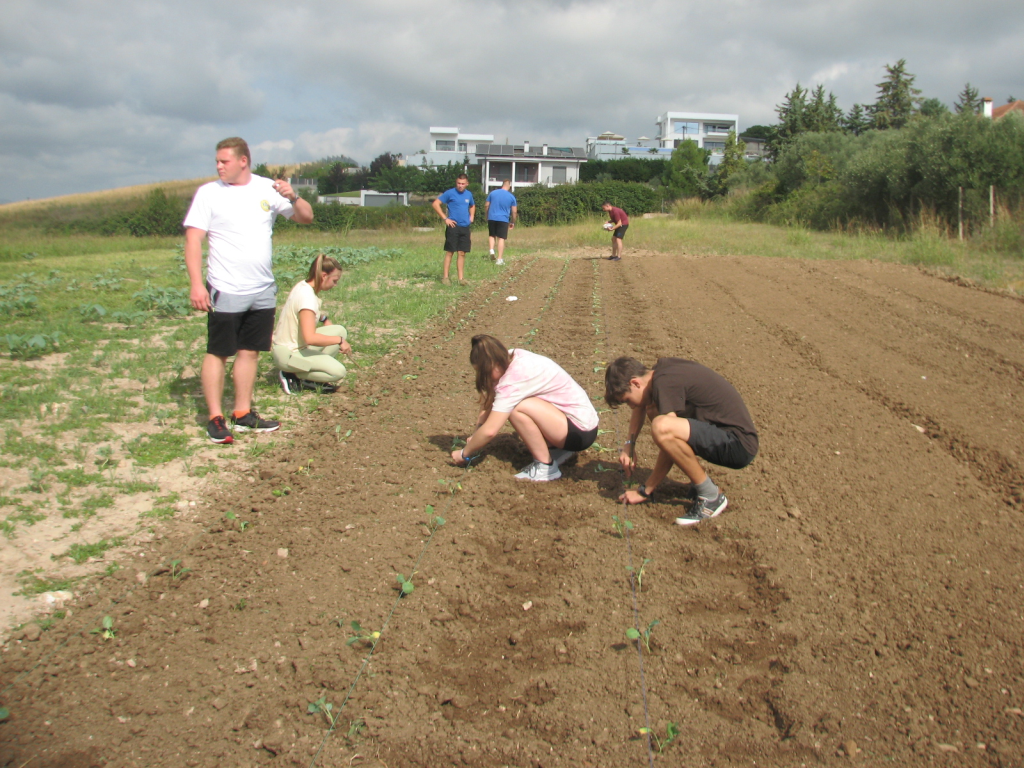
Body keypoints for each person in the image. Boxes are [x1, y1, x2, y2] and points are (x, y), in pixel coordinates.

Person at [184, 136, 314, 444]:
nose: (218, 166)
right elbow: (193, 239)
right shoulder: (208, 194)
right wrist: (195, 284)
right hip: (225, 287)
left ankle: (242, 413)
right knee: (218, 352)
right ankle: (215, 417)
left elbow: (306, 217)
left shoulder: (266, 188)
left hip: (261, 288)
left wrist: (293, 196)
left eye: (224, 161)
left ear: (244, 161)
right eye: (217, 161)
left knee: (250, 352)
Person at [604, 356, 758, 525]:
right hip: (726, 436)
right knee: (655, 411)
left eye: (626, 400)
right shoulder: (661, 373)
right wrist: (629, 445)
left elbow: (667, 436)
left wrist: (645, 490)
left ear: (635, 383)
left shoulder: (665, 384)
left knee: (662, 426)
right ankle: (699, 483)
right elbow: (641, 406)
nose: (630, 406)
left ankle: (711, 496)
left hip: (737, 445)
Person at [451, 335, 599, 482]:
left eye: (483, 372)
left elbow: (490, 430)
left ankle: (545, 467)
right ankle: (559, 451)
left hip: (578, 432)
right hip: (582, 423)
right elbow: (488, 401)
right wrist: (477, 432)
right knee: (521, 404)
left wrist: (464, 453)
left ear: (492, 365)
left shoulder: (511, 382)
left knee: (517, 408)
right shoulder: (513, 356)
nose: (482, 377)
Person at [272, 254, 352, 394]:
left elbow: (307, 314)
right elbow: (310, 338)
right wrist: (339, 341)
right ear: (323, 276)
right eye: (334, 280)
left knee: (339, 330)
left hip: (295, 344)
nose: (335, 285)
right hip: (289, 354)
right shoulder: (307, 299)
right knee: (338, 372)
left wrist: (324, 318)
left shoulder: (303, 286)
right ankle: (293, 374)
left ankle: (306, 368)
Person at [431, 173, 475, 285]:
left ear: (467, 184)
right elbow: (436, 204)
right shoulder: (450, 193)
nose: (460, 185)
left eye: (462, 184)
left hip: (465, 226)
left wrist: (472, 216)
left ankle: (461, 279)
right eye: (458, 183)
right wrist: (445, 218)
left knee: (462, 253)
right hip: (453, 226)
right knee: (450, 251)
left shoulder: (468, 194)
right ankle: (445, 277)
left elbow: (472, 205)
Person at [485, 180, 517, 265]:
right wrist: (513, 222)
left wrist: (487, 215)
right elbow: (514, 211)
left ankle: (491, 250)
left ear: (502, 185)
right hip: (503, 219)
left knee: (492, 235)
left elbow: (486, 205)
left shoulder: (492, 193)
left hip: (492, 217)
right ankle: (499, 259)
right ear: (509, 186)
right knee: (501, 238)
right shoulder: (511, 197)